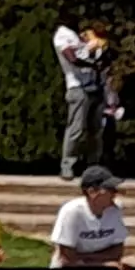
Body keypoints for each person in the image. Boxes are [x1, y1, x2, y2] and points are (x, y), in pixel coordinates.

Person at [54, 21, 109, 180]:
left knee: (96, 130)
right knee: (76, 129)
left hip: (95, 85)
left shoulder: (80, 35)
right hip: (77, 87)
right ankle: (67, 165)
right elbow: (72, 57)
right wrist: (92, 62)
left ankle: (94, 166)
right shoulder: (63, 35)